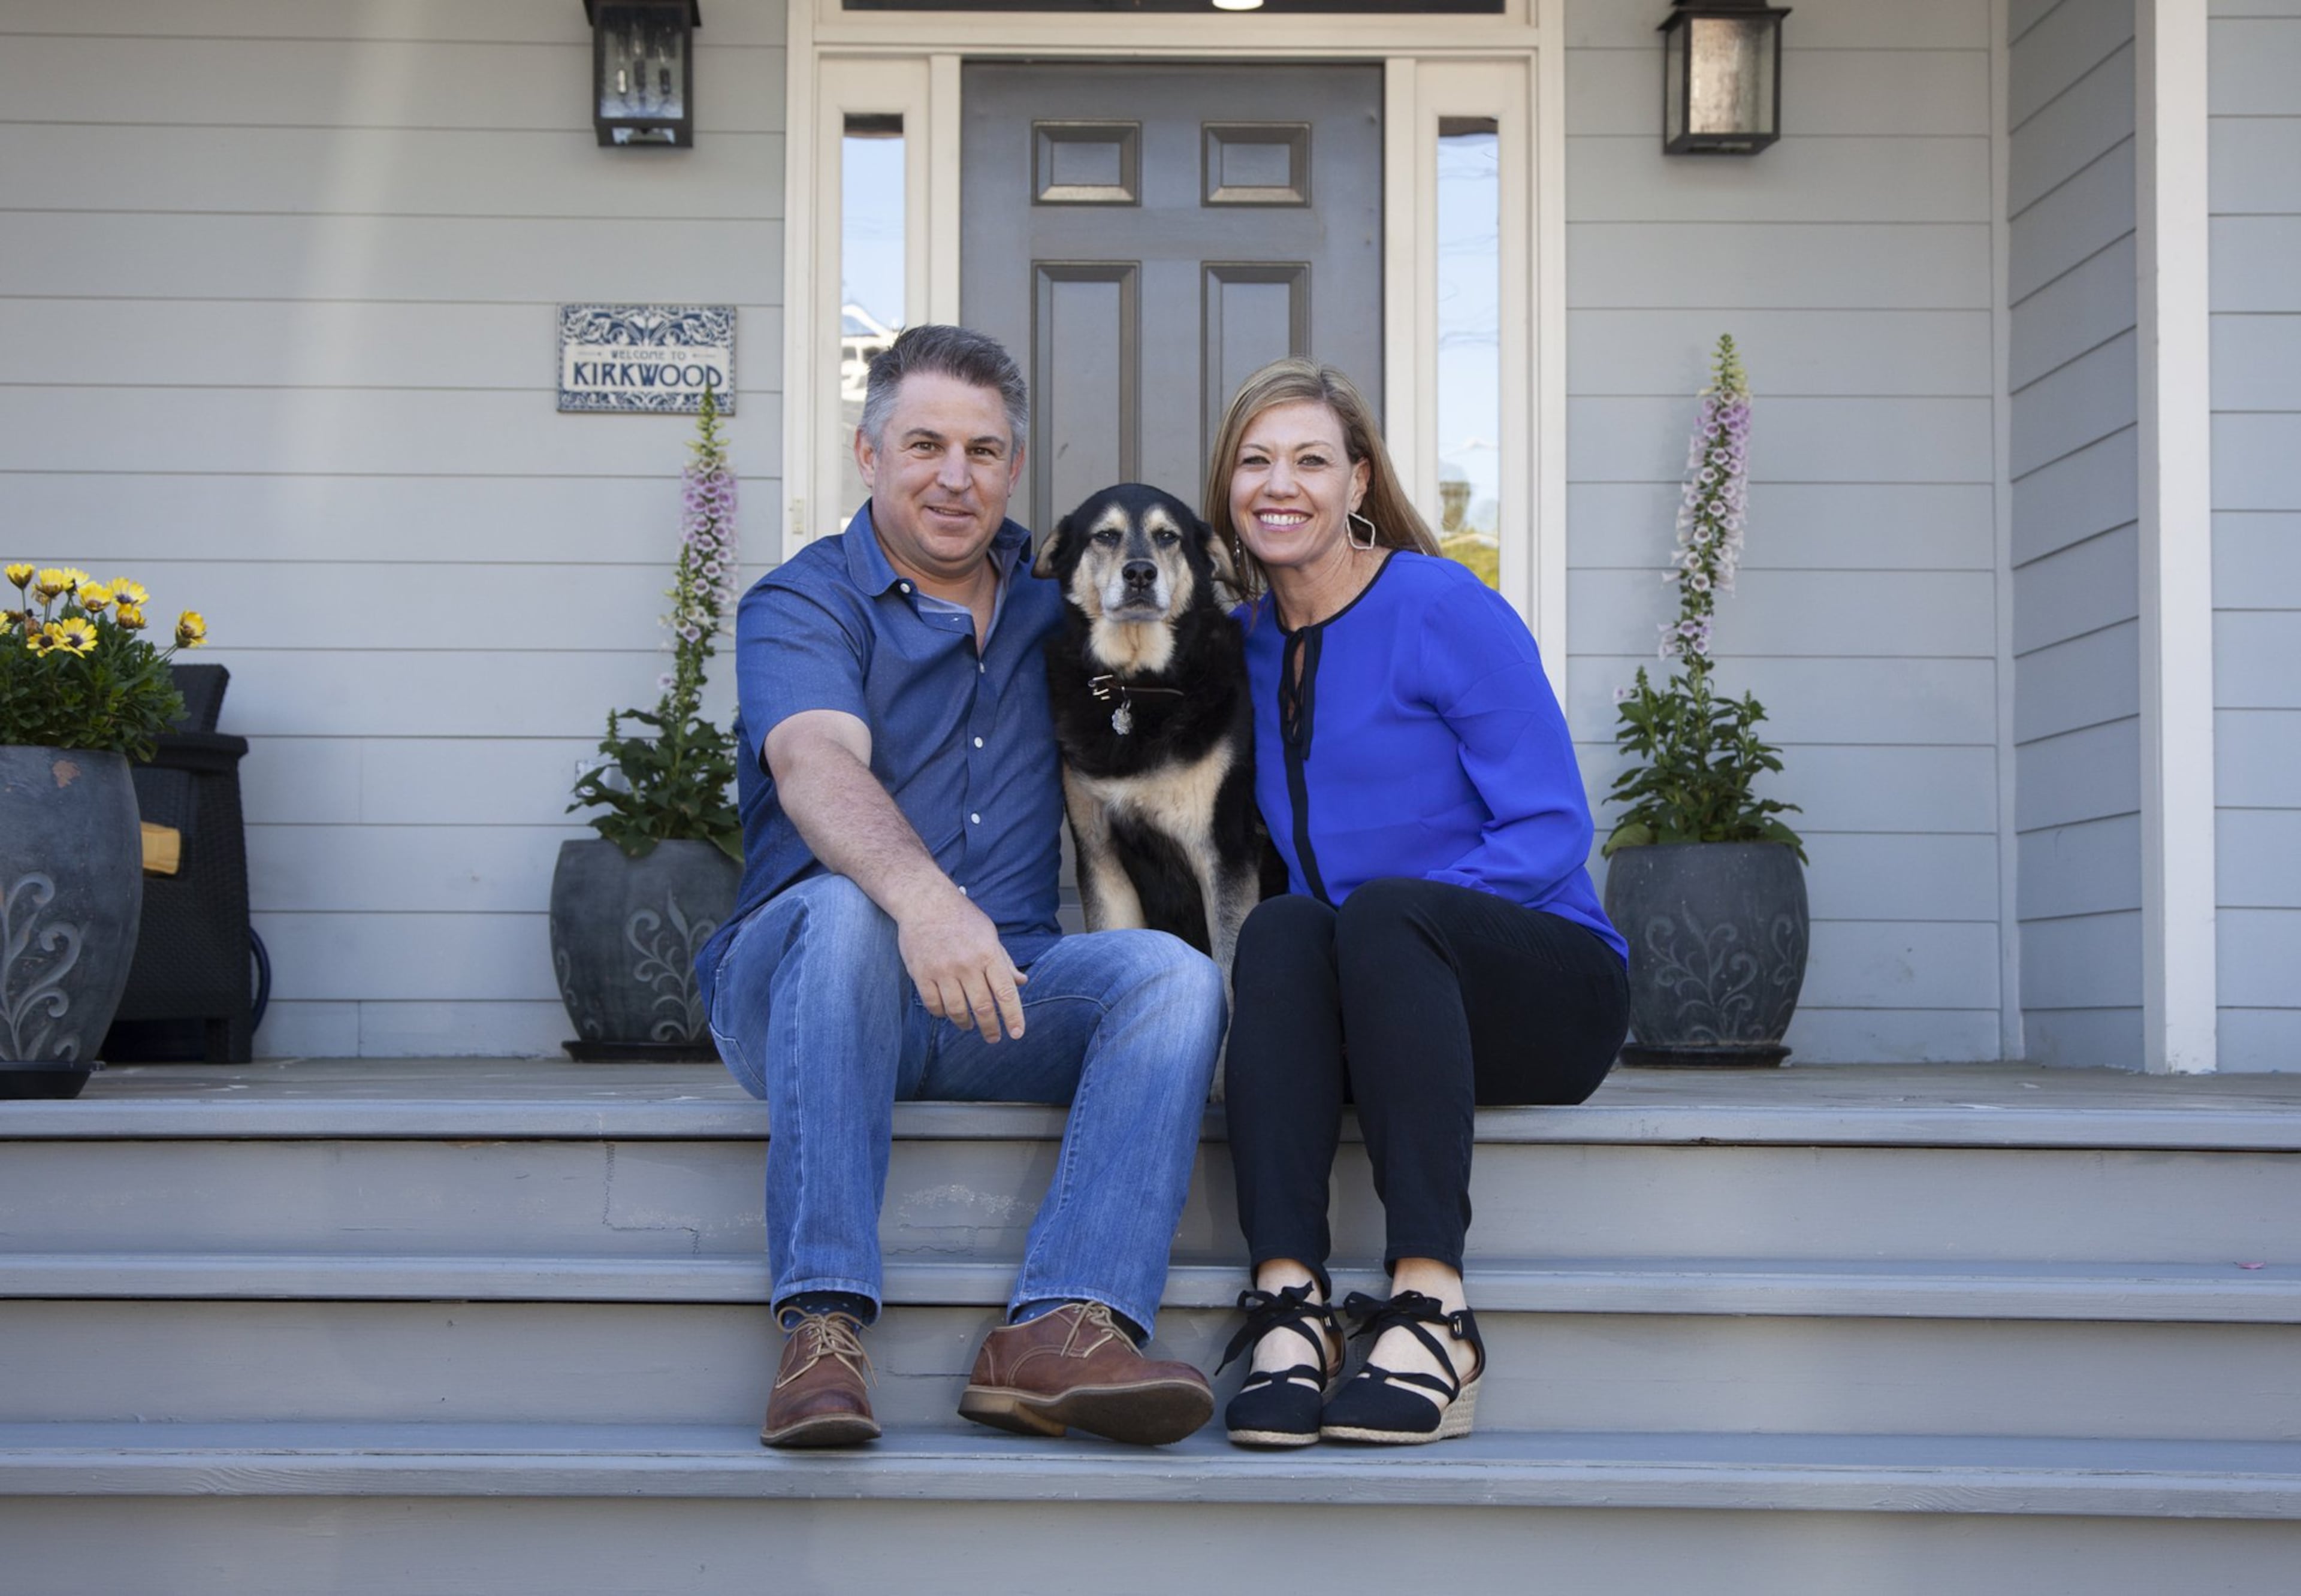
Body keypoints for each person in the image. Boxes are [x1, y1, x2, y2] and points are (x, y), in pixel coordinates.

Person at [695, 324, 1225, 1451]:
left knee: (1173, 979)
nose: (955, 476)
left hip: (1001, 987)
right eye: (926, 444)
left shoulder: (1058, 602)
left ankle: (1062, 1327)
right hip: (806, 987)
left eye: (984, 451)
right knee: (849, 910)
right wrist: (928, 902)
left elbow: (1203, 638)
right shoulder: (806, 603)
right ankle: (823, 1326)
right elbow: (815, 765)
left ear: (1013, 470)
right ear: (870, 453)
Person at [1203, 358, 1630, 1447]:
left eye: (1310, 459)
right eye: (1255, 462)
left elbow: (1551, 828)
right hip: (1372, 1001)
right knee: (1290, 924)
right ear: (1227, 490)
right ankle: (1292, 1306)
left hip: (1539, 988)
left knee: (1377, 915)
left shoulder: (1442, 605)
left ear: (1358, 483)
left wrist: (1392, 929)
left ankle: (1435, 1306)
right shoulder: (1241, 645)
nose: (1279, 484)